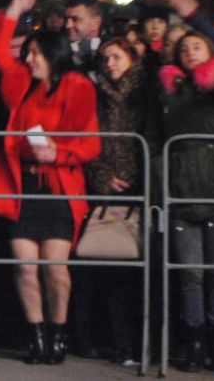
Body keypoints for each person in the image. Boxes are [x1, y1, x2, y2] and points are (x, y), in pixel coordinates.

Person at [0, 0, 100, 365]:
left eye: (35, 53)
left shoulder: (78, 87)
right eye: (27, 53)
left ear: (53, 55)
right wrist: (13, 11)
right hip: (23, 187)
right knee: (26, 268)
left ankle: (58, 333)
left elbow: (91, 144)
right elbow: (0, 53)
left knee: (56, 270)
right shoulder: (21, 86)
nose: (28, 59)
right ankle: (37, 335)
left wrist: (58, 153)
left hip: (58, 189)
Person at [148, 28, 214, 373]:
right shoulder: (170, 88)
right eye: (184, 49)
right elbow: (157, 132)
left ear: (210, 51)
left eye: (197, 46)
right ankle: (195, 341)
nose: (190, 52)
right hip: (182, 184)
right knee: (189, 273)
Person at [71, 37, 157, 365]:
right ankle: (113, 343)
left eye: (117, 57)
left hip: (142, 187)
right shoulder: (93, 94)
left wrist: (141, 175)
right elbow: (85, 137)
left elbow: (154, 136)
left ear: (132, 58)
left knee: (140, 272)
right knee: (107, 267)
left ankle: (142, 344)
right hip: (105, 189)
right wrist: (103, 175)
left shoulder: (147, 91)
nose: (110, 64)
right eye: (105, 58)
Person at [65, 0, 104, 72]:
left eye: (75, 19)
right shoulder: (60, 53)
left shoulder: (109, 54)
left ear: (96, 23)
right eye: (66, 19)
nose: (68, 25)